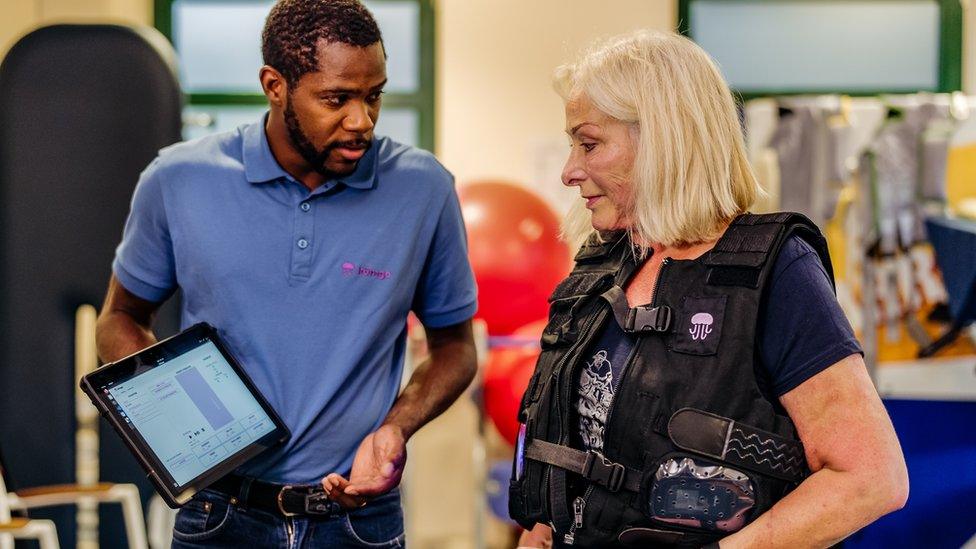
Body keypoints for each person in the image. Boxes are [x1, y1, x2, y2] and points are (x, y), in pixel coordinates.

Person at [95, 0, 478, 546]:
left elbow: (455, 346)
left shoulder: (424, 189)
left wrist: (398, 425)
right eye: (336, 99)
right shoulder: (179, 179)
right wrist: (173, 411)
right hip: (219, 515)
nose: (361, 121)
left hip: (357, 521)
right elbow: (121, 316)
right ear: (275, 85)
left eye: (374, 96)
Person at [510, 30, 907, 548]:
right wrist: (544, 528)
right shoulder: (604, 265)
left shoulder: (778, 270)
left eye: (589, 144)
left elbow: (872, 478)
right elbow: (581, 440)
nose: (569, 171)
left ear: (662, 139)